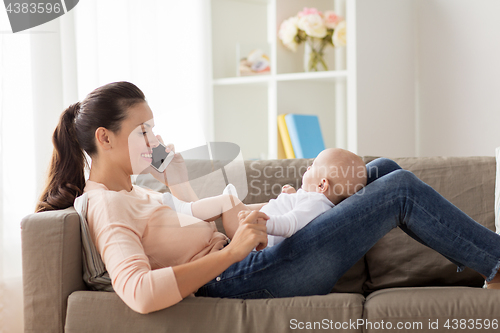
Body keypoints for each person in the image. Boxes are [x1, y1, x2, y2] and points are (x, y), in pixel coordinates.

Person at [36, 81, 500, 315]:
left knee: (381, 172)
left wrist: (178, 179)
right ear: (106, 138)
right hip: (242, 276)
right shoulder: (107, 204)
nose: (155, 137)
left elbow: (190, 225)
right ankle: (496, 264)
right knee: (397, 191)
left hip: (249, 258)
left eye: (153, 126)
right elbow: (137, 292)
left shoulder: (133, 189)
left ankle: (482, 258)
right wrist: (234, 250)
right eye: (144, 129)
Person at [162, 148, 367, 247]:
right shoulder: (317, 203)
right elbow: (299, 214)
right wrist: (292, 197)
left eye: (313, 166)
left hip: (255, 236)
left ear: (322, 185)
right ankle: (209, 206)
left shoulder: (315, 204)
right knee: (243, 204)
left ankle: (184, 211)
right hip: (255, 233)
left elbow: (289, 224)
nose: (308, 167)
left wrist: (263, 224)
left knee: (228, 203)